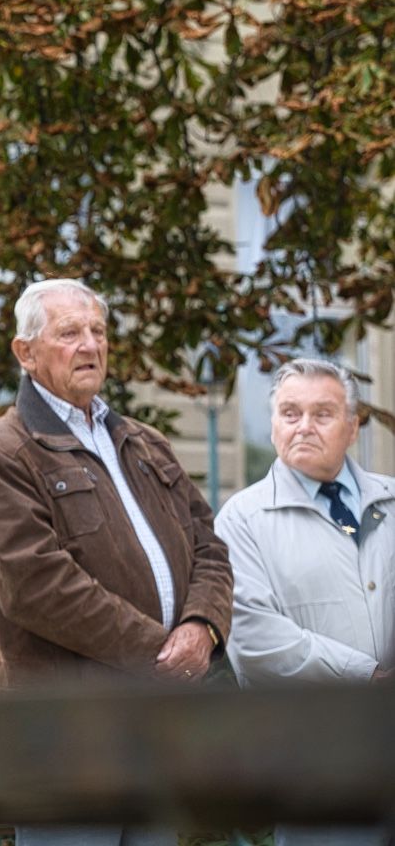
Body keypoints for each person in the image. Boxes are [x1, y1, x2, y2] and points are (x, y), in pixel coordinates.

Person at [0, 278, 234, 846]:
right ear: (26, 353)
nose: (90, 345)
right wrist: (159, 651)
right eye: (69, 333)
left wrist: (202, 626)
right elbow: (35, 586)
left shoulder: (145, 442)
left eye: (97, 331)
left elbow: (209, 545)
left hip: (154, 724)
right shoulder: (4, 451)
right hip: (66, 738)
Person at [215, 358, 394, 846]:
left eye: (323, 413)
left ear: (353, 428)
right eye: (290, 413)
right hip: (314, 757)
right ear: (273, 425)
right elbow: (253, 637)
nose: (304, 427)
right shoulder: (241, 520)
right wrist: (370, 678)